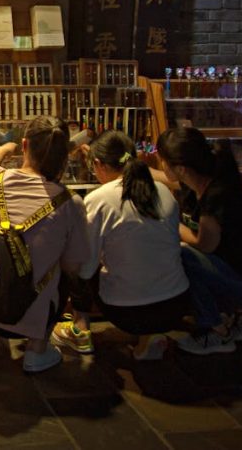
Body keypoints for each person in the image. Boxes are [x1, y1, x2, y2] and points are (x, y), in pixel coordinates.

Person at [0, 115, 90, 373]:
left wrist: (8, 147)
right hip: (31, 309)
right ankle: (36, 351)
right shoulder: (69, 203)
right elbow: (74, 266)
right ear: (65, 155)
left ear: (26, 145)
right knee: (64, 273)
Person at [157, 127, 242, 354]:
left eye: (162, 160)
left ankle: (217, 331)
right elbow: (166, 177)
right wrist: (131, 170)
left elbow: (204, 244)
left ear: (181, 169)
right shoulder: (204, 180)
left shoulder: (217, 197)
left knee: (184, 255)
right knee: (187, 256)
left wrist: (169, 223)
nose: (161, 164)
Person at [52, 130, 190, 361]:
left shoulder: (100, 198)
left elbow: (85, 269)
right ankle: (149, 337)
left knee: (75, 256)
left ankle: (80, 329)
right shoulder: (163, 190)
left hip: (128, 312)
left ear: (98, 164)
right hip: (176, 305)